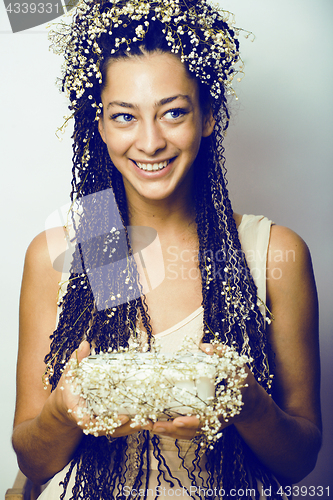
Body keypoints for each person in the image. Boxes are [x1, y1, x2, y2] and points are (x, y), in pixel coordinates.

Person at [12, 0, 322, 498]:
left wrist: (244, 402)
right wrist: (63, 411)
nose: (150, 141)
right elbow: (33, 459)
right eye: (125, 117)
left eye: (173, 112)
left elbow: (300, 461)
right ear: (101, 126)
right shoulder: (84, 247)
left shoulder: (271, 252)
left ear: (208, 117)